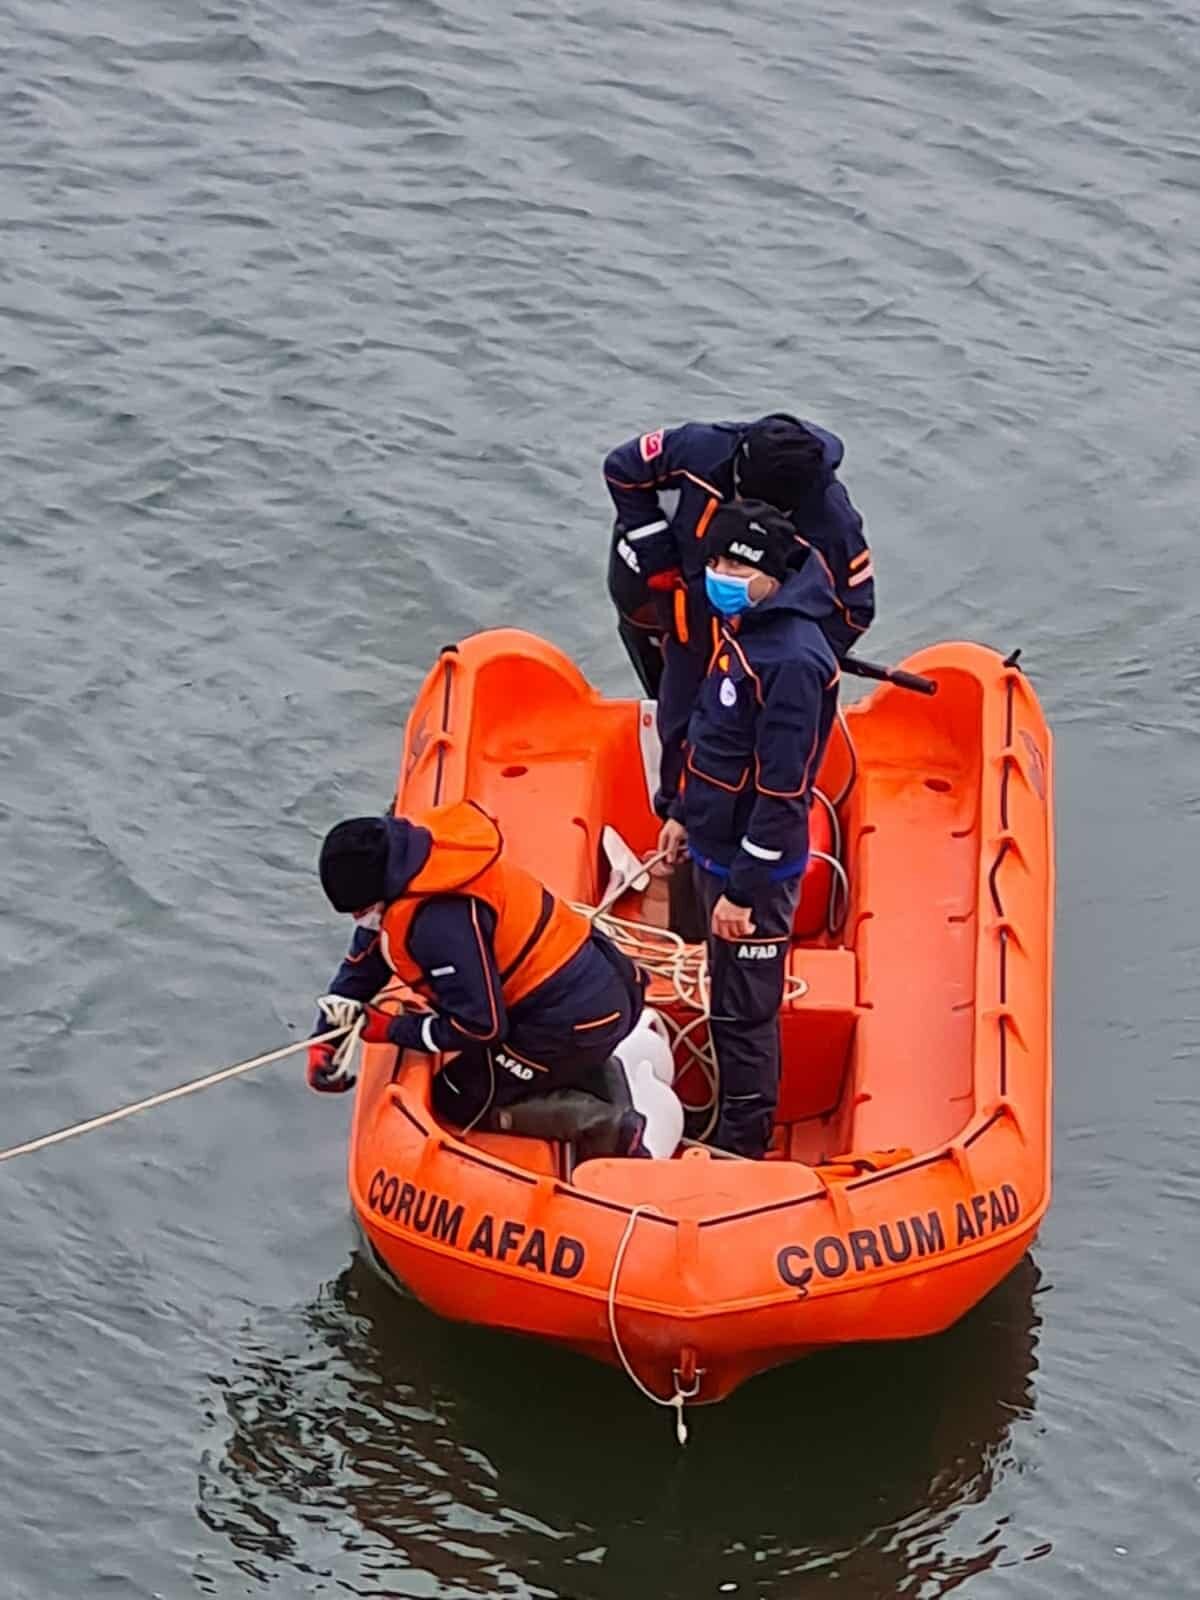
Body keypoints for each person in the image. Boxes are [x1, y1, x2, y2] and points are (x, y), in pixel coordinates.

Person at [306, 798, 654, 1158]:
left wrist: (391, 1029)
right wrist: (327, 1036)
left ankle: (605, 1126)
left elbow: (480, 1027)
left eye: (360, 911)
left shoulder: (438, 924)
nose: (358, 921)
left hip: (574, 1017)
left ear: (376, 896)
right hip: (596, 986)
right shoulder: (413, 870)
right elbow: (366, 959)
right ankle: (589, 1073)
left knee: (457, 1097)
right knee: (533, 1051)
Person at [656, 500, 840, 1159]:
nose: (719, 573)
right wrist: (682, 814)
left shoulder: (789, 661)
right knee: (721, 995)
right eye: (715, 560)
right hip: (711, 845)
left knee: (744, 1017)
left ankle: (742, 1146)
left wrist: (746, 887)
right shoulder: (744, 628)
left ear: (767, 573)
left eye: (735, 563)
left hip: (750, 871)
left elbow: (782, 788)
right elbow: (715, 739)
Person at [603, 412, 872, 819]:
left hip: (762, 660)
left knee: (755, 759)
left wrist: (793, 659)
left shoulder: (831, 518)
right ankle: (674, 829)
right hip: (690, 632)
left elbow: (855, 607)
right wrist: (659, 562)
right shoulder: (698, 449)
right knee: (678, 734)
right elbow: (622, 469)